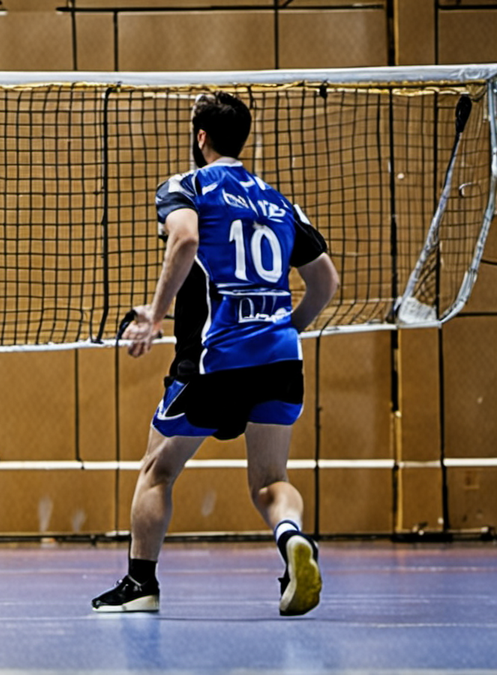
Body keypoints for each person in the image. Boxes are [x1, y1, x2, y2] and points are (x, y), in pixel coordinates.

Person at [92, 92, 339, 616]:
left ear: (199, 137)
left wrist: (154, 317)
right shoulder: (279, 201)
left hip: (216, 359)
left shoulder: (187, 187)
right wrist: (287, 328)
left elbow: (183, 242)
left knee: (157, 469)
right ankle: (292, 537)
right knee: (271, 481)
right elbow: (325, 280)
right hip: (279, 359)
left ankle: (141, 586)